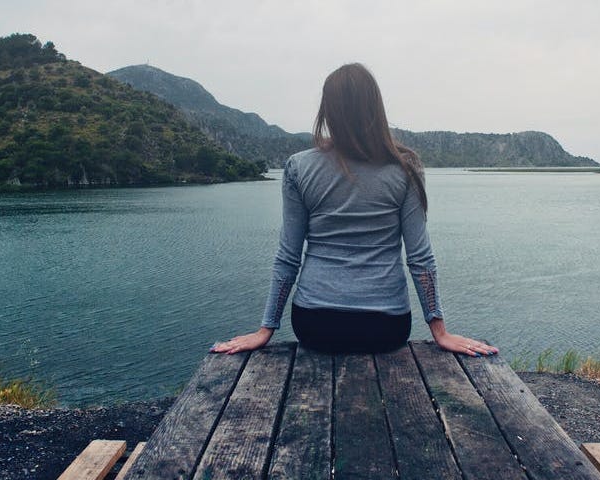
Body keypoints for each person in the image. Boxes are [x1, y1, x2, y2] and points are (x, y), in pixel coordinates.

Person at [212, 63, 497, 357]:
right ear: (375, 107)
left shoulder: (299, 167)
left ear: (328, 110)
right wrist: (439, 331)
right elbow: (420, 258)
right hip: (387, 328)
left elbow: (288, 256)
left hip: (314, 325)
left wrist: (265, 329)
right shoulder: (406, 168)